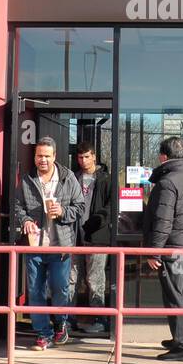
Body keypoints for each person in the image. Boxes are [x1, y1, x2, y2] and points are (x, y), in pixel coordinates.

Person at [12, 137, 86, 350]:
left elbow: (80, 207)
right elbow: (17, 206)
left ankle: (61, 323)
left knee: (60, 288)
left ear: (54, 157)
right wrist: (25, 220)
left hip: (61, 247)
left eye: (46, 156)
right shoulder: (27, 181)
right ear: (35, 157)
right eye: (39, 156)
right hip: (35, 246)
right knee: (35, 291)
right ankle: (43, 333)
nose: (42, 160)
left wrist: (63, 212)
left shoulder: (67, 178)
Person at [141, 135, 183, 362]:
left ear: (163, 156)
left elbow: (162, 222)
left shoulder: (168, 183)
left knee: (174, 295)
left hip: (173, 250)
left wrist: (153, 251)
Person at [68, 140, 113, 335]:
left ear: (94, 156)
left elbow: (112, 207)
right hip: (73, 236)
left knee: (96, 279)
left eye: (87, 156)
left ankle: (99, 320)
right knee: (71, 279)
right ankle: (67, 320)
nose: (83, 160)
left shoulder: (106, 179)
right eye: (80, 157)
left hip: (97, 236)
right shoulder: (71, 178)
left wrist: (98, 221)